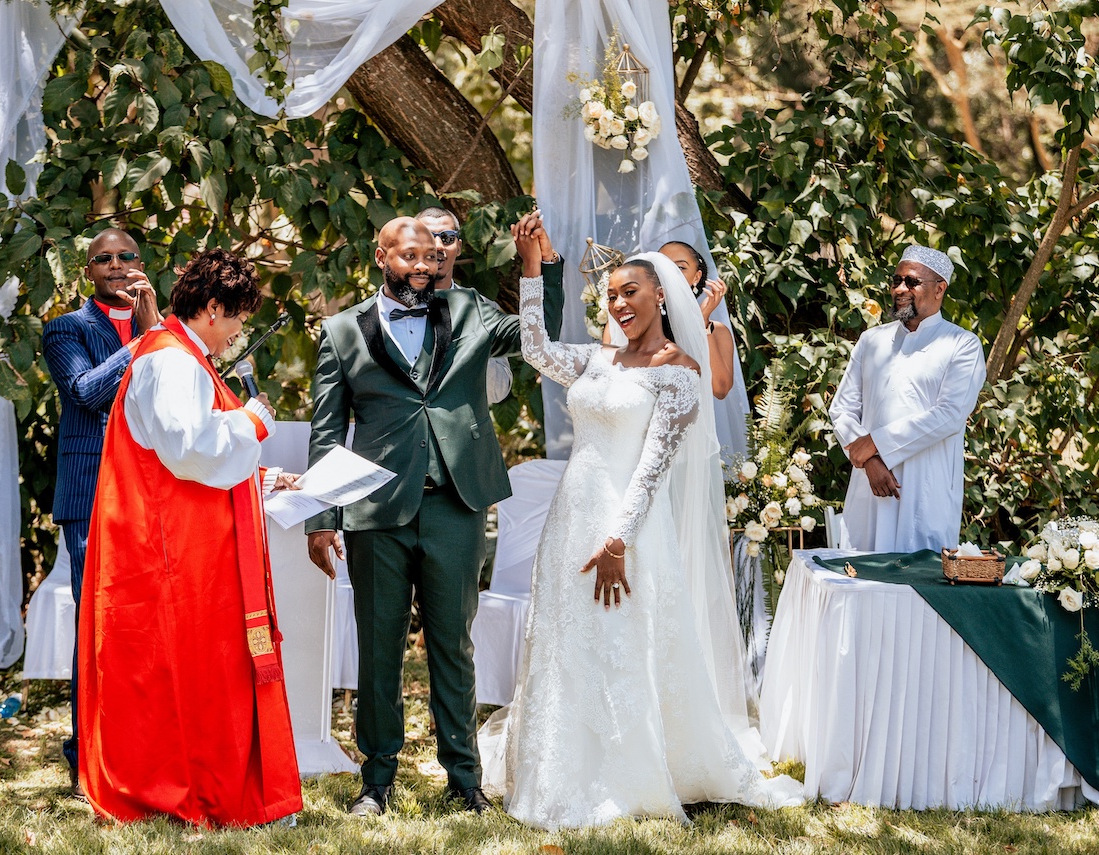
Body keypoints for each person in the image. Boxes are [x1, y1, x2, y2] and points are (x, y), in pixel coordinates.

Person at [482, 241, 803, 830]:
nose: (620, 303)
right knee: (566, 635)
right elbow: (533, 349)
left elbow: (654, 464)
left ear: (661, 294)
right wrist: (532, 272)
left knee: (620, 638)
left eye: (630, 291)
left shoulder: (679, 372)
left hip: (624, 526)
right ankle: (559, 768)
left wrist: (618, 540)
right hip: (570, 517)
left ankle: (626, 774)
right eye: (611, 295)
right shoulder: (598, 360)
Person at [305, 215, 563, 818]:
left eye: (432, 255)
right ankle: (376, 782)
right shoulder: (341, 332)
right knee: (379, 648)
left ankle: (464, 780)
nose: (423, 266)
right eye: (409, 256)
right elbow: (326, 432)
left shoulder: (470, 311)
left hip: (456, 504)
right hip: (376, 509)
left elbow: (535, 338)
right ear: (381, 257)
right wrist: (322, 519)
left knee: (453, 644)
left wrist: (534, 267)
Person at [77, 248, 303, 826]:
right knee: (179, 671)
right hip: (171, 552)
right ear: (211, 308)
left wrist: (262, 475)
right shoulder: (174, 361)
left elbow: (177, 451)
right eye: (237, 318)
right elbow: (189, 448)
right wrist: (252, 420)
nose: (238, 332)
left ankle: (203, 780)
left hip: (182, 541)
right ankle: (184, 787)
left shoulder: (178, 354)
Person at [41, 227, 159, 798]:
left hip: (153, 496)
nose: (116, 265)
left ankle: (142, 752)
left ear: (142, 263)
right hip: (91, 499)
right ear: (88, 271)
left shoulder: (160, 329)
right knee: (97, 628)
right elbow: (86, 393)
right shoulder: (67, 329)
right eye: (103, 259)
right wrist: (146, 339)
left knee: (146, 628)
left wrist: (157, 332)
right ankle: (86, 756)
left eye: (126, 256)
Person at [829, 245, 986, 552]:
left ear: (940, 289)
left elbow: (950, 415)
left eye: (912, 282)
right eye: (896, 280)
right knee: (859, 575)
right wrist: (871, 461)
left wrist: (875, 443)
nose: (900, 289)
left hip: (925, 488)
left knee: (919, 584)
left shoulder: (961, 344)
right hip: (869, 485)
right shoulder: (871, 340)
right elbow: (842, 408)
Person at [417, 206, 566, 404]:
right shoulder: (385, 308)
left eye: (447, 238)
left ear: (458, 247)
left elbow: (498, 390)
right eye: (427, 237)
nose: (437, 246)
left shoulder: (481, 309)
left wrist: (544, 260)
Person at [658, 240, 735, 400]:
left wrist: (702, 322)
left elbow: (720, 389)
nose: (671, 274)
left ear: (696, 277)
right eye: (663, 267)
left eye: (680, 268)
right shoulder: (640, 323)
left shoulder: (717, 330)